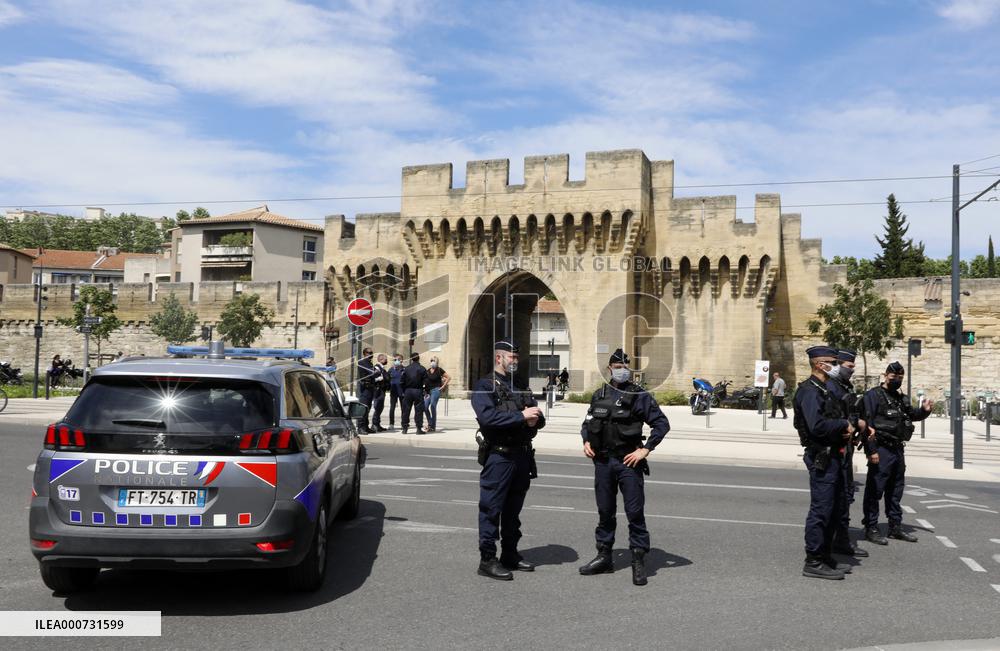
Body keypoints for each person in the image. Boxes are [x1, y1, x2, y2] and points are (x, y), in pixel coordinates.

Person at [578, 348, 670, 586]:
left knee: (635, 513)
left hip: (628, 462)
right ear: (610, 369)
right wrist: (586, 440)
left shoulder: (640, 395)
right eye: (617, 367)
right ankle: (604, 557)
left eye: (625, 367)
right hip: (603, 462)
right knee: (605, 512)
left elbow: (661, 424)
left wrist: (645, 449)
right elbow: (587, 423)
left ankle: (638, 559)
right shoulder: (599, 394)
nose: (621, 371)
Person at [471, 340, 545, 580]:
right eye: (511, 357)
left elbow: (535, 412)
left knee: (513, 510)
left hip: (522, 455)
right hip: (499, 456)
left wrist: (535, 419)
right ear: (499, 358)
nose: (515, 361)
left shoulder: (520, 384)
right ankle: (487, 559)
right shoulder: (485, 385)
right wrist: (520, 416)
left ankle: (510, 554)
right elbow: (488, 418)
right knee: (491, 508)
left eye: (516, 358)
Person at [792, 345, 855, 580]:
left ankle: (826, 555)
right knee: (821, 509)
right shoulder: (809, 391)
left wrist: (846, 428)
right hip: (822, 457)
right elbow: (816, 427)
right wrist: (842, 426)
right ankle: (814, 560)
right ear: (820, 365)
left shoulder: (824, 389)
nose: (837, 366)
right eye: (833, 362)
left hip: (834, 455)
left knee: (834, 508)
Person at [861, 361, 933, 545]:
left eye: (900, 378)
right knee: (875, 490)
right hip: (881, 448)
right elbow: (866, 425)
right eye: (893, 377)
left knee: (895, 490)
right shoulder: (873, 396)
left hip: (897, 449)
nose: (897, 380)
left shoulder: (901, 398)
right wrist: (872, 451)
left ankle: (895, 526)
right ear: (885, 375)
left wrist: (924, 411)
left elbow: (911, 415)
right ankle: (871, 527)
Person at [825, 349, 869, 559]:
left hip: (846, 448)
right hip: (835, 449)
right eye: (850, 366)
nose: (853, 370)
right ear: (839, 364)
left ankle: (840, 539)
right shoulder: (831, 386)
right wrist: (855, 423)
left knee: (845, 494)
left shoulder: (842, 385)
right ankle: (834, 542)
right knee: (838, 496)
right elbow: (834, 417)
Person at [400, 353, 428, 435]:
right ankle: (419, 428)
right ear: (418, 358)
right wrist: (425, 390)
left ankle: (404, 428)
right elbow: (426, 382)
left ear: (411, 359)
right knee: (419, 410)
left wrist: (404, 390)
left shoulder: (406, 369)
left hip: (408, 391)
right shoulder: (422, 369)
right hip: (418, 390)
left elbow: (402, 381)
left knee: (406, 410)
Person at [423, 356, 450, 432]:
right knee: (425, 407)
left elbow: (448, 377)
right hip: (427, 391)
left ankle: (432, 426)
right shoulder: (427, 371)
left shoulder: (439, 370)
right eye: (431, 360)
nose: (432, 362)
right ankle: (430, 423)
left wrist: (443, 386)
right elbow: (425, 381)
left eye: (434, 361)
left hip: (435, 390)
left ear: (437, 362)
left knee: (432, 406)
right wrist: (424, 391)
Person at [356, 347, 377, 433]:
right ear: (364, 353)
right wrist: (375, 372)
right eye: (369, 353)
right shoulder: (362, 362)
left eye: (372, 352)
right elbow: (372, 373)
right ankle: (361, 427)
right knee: (363, 408)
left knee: (367, 408)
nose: (371, 354)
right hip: (365, 388)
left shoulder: (369, 362)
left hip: (370, 387)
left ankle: (366, 426)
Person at [370, 353, 390, 432]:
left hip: (382, 390)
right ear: (380, 359)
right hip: (378, 390)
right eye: (385, 359)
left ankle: (377, 424)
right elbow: (373, 379)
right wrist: (379, 379)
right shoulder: (376, 368)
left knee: (380, 408)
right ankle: (374, 424)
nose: (386, 361)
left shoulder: (382, 368)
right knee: (378, 407)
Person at [388, 353, 404, 430]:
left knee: (403, 408)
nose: (396, 361)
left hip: (402, 392)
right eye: (395, 360)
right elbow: (387, 380)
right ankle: (391, 424)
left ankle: (403, 424)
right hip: (393, 392)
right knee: (392, 408)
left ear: (401, 361)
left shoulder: (404, 370)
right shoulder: (390, 370)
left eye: (398, 359)